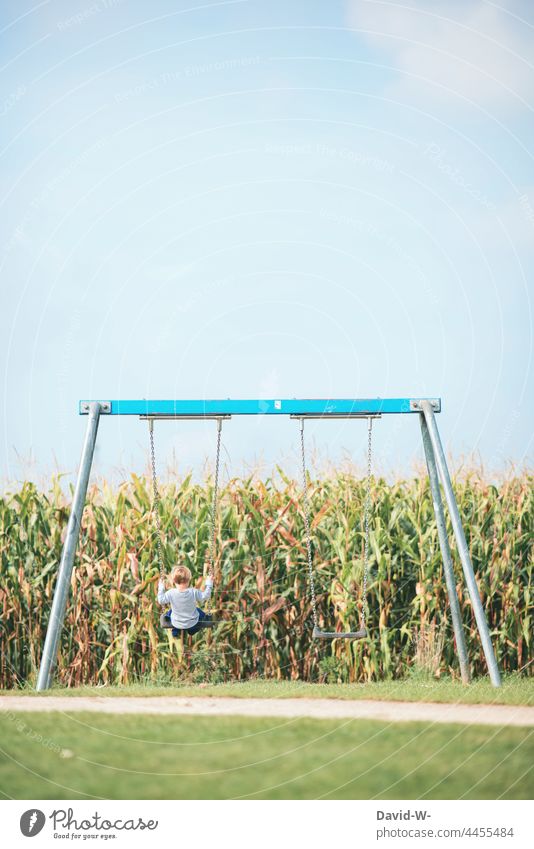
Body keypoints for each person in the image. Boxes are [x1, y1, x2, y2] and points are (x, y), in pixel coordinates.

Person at [158, 564, 213, 636]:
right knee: (199, 612)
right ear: (189, 579)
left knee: (170, 612)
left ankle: (175, 631)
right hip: (192, 623)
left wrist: (161, 587)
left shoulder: (170, 593)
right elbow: (205, 596)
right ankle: (192, 631)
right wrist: (209, 584)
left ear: (174, 581)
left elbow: (161, 600)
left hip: (176, 622)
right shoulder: (194, 592)